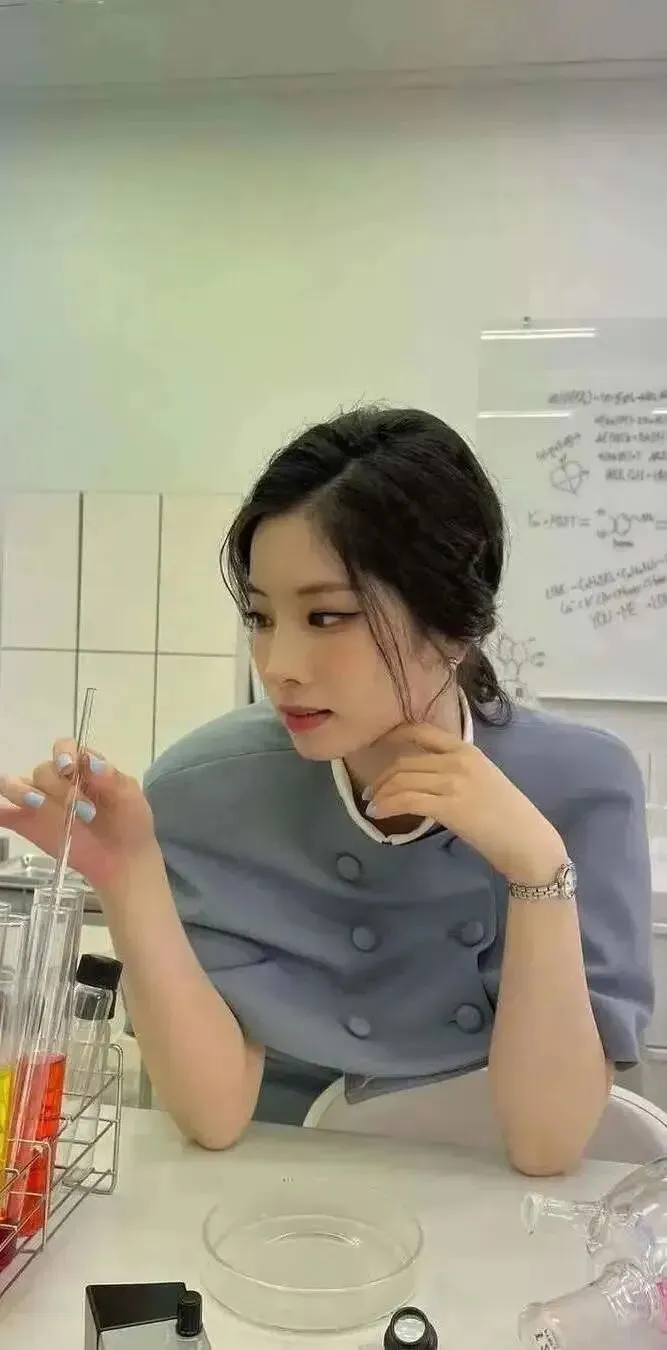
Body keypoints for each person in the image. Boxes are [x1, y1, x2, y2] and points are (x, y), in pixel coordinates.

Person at [0, 407, 653, 1176]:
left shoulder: (580, 785)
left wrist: (536, 868)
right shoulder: (209, 788)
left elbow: (546, 1145)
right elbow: (213, 1117)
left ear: (451, 619)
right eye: (260, 616)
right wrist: (128, 875)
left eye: (326, 616)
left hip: (491, 1204)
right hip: (273, 1196)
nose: (279, 665)